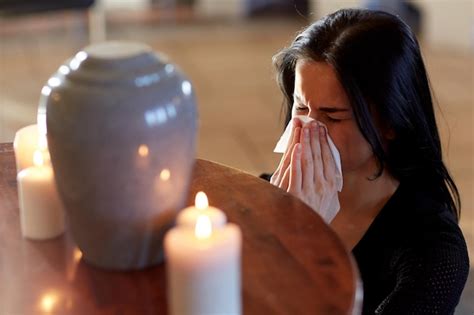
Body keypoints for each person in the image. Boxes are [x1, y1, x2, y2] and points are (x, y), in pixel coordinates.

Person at [263, 8, 470, 314]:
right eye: (301, 107)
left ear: (391, 122)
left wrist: (303, 244)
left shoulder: (433, 251)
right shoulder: (268, 194)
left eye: (332, 116)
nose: (307, 129)